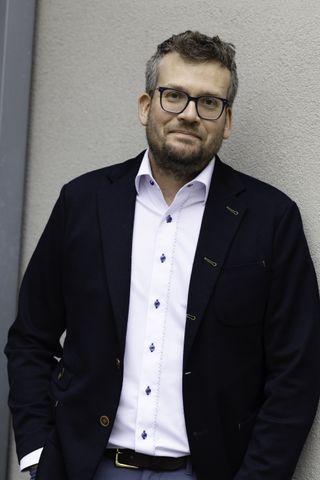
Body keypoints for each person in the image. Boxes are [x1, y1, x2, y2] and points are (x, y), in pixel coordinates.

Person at [5, 30, 320, 480]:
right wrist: (36, 452)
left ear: (226, 121)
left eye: (209, 102)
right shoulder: (83, 202)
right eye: (173, 95)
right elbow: (31, 339)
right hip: (87, 467)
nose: (189, 115)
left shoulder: (271, 219)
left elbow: (297, 373)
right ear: (145, 106)